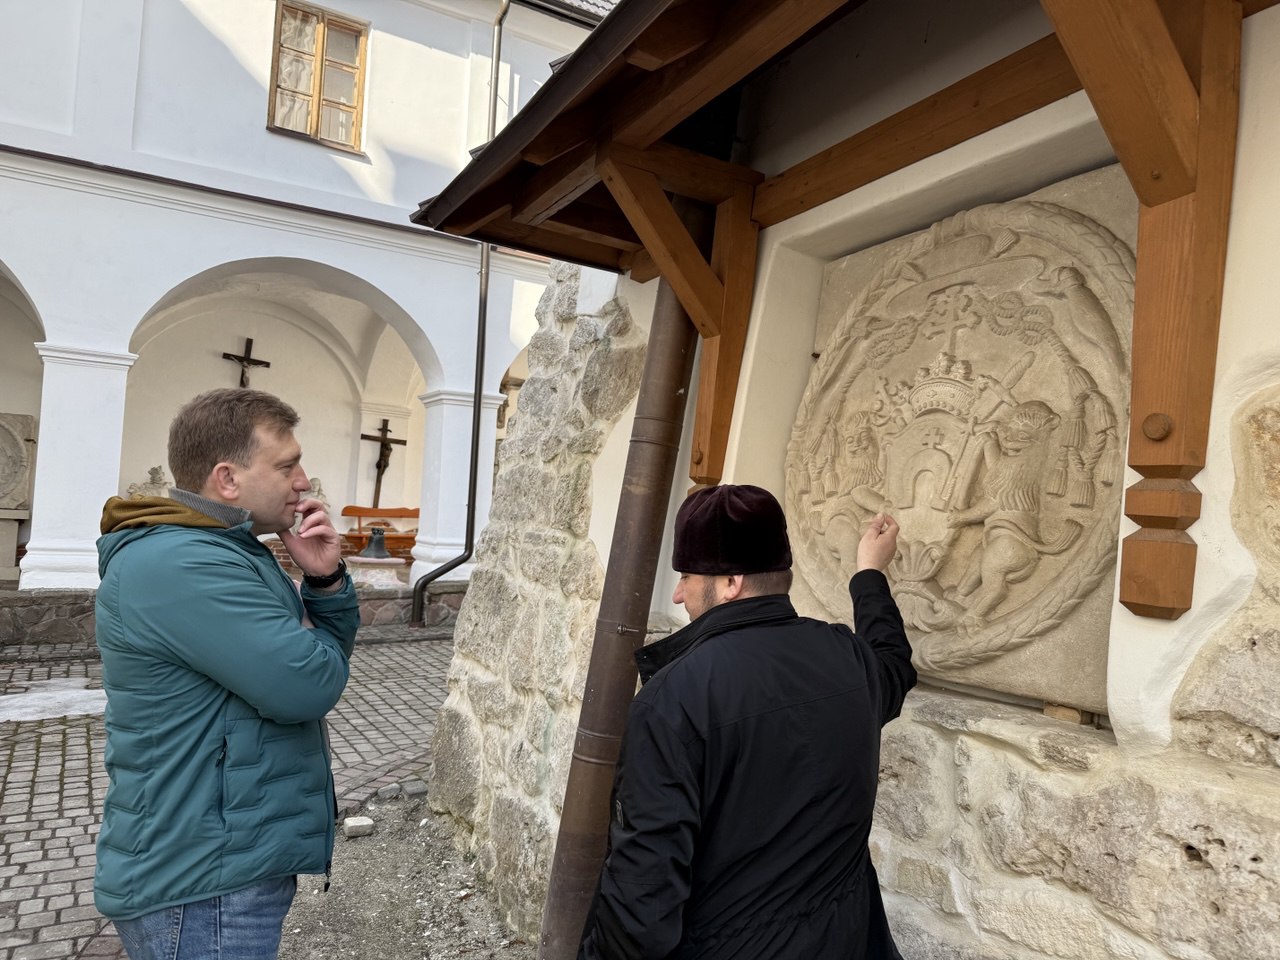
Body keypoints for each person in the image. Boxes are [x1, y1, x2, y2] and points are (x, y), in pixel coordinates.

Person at [579, 484, 916, 960]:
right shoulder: (849, 659)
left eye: (687, 576)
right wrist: (868, 574)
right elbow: (894, 664)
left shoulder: (674, 698)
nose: (678, 594)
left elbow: (642, 899)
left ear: (730, 582)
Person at [94, 388, 360, 960]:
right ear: (227, 479)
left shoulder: (227, 551)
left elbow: (309, 673)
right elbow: (309, 685)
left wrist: (326, 583)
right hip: (201, 881)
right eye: (286, 465)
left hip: (223, 861)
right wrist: (319, 627)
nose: (304, 482)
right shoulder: (182, 563)